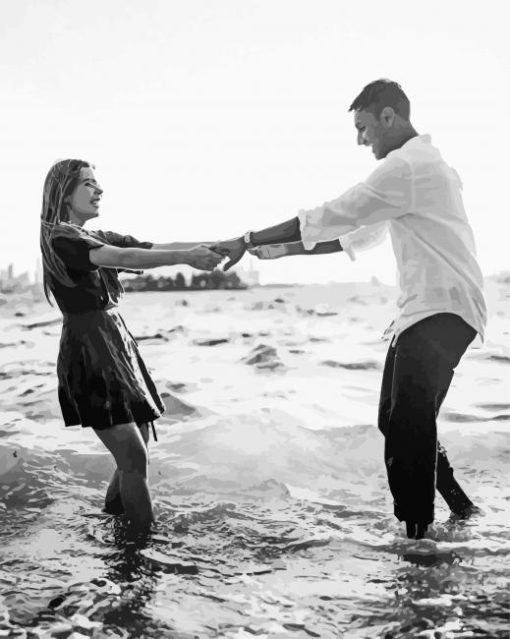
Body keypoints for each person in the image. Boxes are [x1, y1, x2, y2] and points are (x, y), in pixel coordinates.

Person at [212, 79, 487, 540]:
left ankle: (418, 540)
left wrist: (248, 239)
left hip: (443, 307)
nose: (361, 140)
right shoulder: (418, 167)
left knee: (409, 421)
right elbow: (357, 233)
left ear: (388, 117)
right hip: (430, 309)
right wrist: (283, 253)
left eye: (363, 128)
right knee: (395, 419)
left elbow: (337, 212)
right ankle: (460, 509)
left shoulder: (407, 167)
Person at [40, 159, 223, 532]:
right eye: (88, 183)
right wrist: (188, 258)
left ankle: (115, 528)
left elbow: (151, 247)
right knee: (133, 457)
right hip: (89, 352)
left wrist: (219, 246)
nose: (99, 190)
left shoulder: (92, 235)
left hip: (115, 346)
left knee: (137, 446)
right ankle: (141, 548)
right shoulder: (62, 238)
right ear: (64, 192)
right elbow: (124, 258)